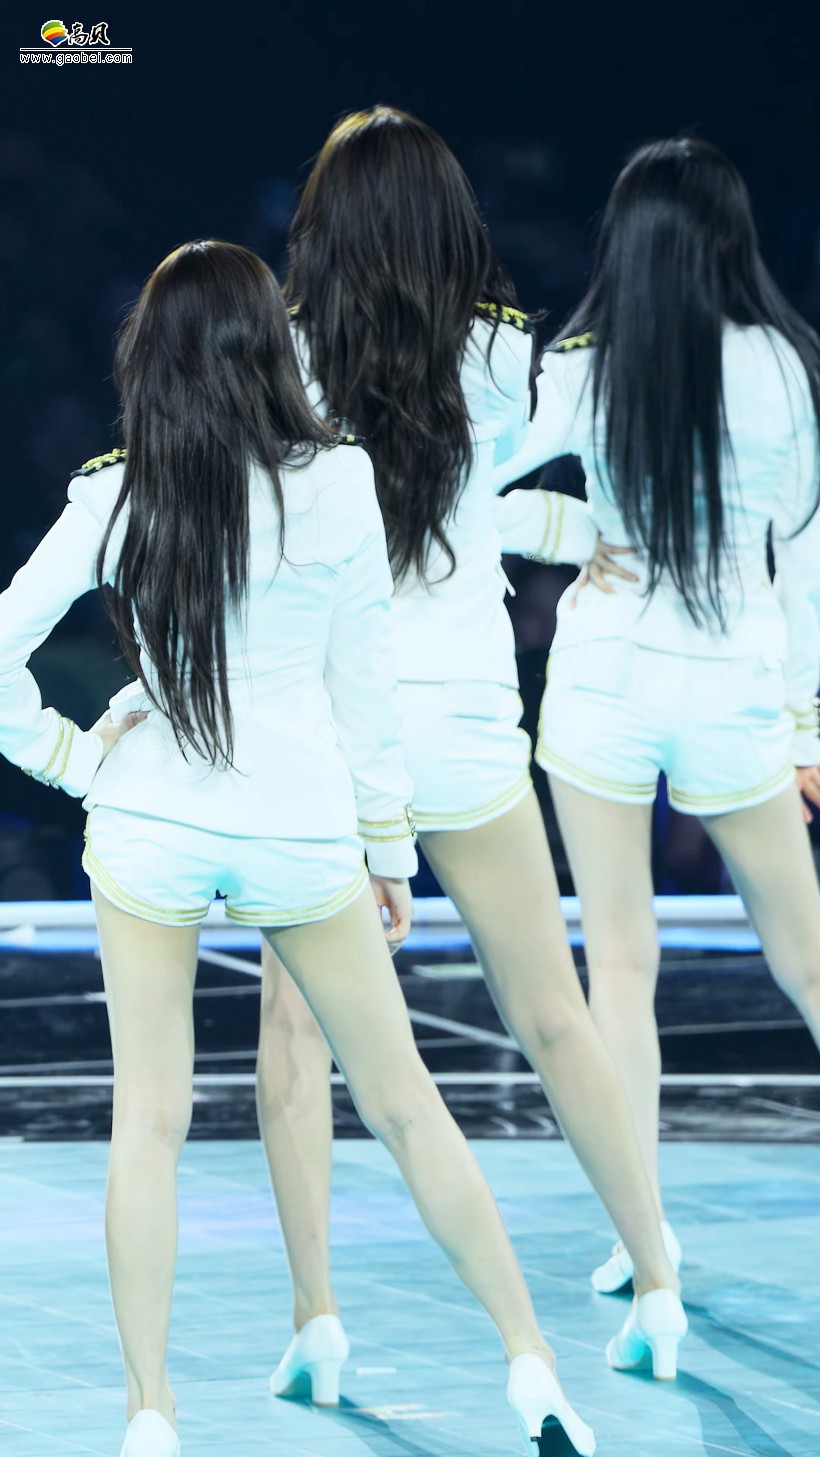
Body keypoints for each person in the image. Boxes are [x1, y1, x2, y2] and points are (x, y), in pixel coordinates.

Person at [0, 241, 598, 1457]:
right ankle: (531, 1366)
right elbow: (362, 684)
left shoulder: (116, 492)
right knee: (405, 1101)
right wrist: (389, 848)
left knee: (148, 1119)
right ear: (269, 349)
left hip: (154, 822)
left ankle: (150, 1413)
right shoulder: (339, 482)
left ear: (150, 356)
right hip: (299, 824)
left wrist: (71, 758)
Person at [255, 106, 685, 1407]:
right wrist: (591, 533)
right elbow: (532, 488)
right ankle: (657, 1278)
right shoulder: (503, 354)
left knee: (297, 1033)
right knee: (552, 1013)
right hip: (465, 720)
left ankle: (317, 1320)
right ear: (448, 219)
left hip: (333, 737)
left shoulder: (281, 355)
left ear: (324, 222)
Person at [492, 137, 820, 1297]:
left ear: (624, 240)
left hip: (609, 679)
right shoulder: (783, 363)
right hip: (733, 682)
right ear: (731, 234)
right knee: (806, 956)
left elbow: (465, 486)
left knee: (618, 964)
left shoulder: (586, 365)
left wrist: (574, 533)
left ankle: (644, 1245)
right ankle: (642, 1242)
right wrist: (807, 723)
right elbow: (804, 552)